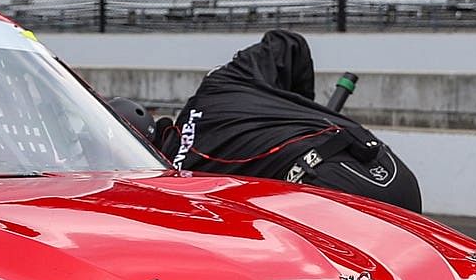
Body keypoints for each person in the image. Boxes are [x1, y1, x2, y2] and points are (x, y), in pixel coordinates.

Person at [166, 28, 421, 211]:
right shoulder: (222, 82)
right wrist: (297, 106)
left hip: (327, 189)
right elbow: (288, 42)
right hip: (391, 170)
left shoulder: (173, 182)